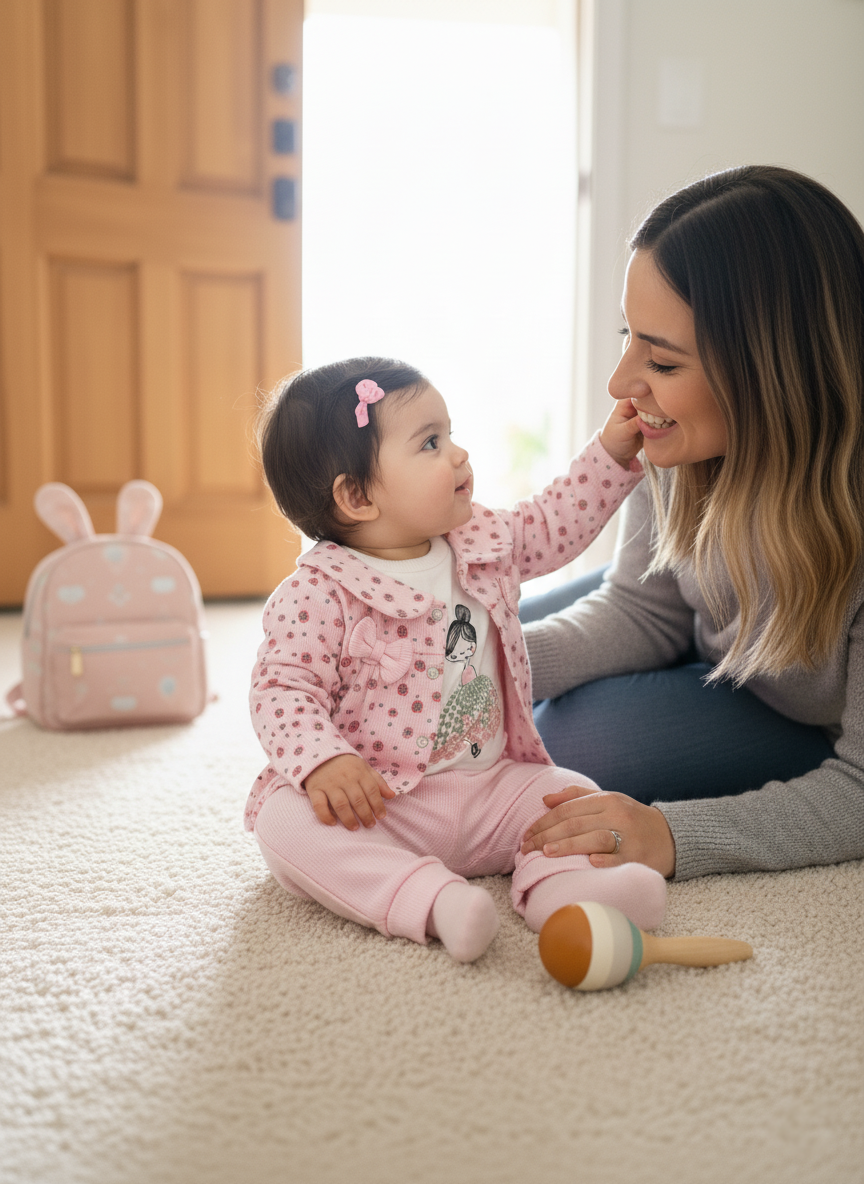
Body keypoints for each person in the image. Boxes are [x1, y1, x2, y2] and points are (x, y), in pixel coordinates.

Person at [244, 357, 666, 964]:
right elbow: (282, 689)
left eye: (450, 434)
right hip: (384, 805)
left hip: (494, 787)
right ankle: (429, 900)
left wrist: (611, 452)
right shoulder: (317, 592)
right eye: (431, 443)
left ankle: (571, 891)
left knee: (569, 796)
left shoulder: (482, 539)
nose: (460, 454)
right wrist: (322, 762)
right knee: (284, 821)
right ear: (357, 495)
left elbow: (552, 521)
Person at [518, 165, 864, 883]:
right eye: (628, 335)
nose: (621, 382)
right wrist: (484, 673)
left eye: (663, 359)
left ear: (774, 373)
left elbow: (859, 790)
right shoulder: (679, 446)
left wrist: (671, 835)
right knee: (478, 637)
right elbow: (644, 607)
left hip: (801, 716)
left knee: (564, 749)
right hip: (698, 639)